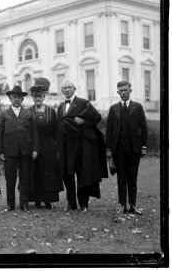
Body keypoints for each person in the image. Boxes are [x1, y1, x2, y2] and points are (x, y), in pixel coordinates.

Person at [56, 78, 107, 212]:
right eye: (64, 88)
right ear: (62, 90)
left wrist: (84, 121)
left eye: (69, 87)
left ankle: (83, 204)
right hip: (66, 147)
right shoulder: (60, 107)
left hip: (80, 146)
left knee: (82, 174)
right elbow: (59, 127)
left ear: (74, 89)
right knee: (67, 176)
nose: (67, 90)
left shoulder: (84, 103)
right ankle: (71, 203)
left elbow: (97, 117)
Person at [105, 81, 147, 215]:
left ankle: (133, 205)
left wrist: (144, 146)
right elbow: (109, 130)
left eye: (125, 90)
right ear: (118, 92)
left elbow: (144, 128)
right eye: (120, 91)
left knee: (132, 177)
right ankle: (122, 205)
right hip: (118, 149)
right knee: (121, 177)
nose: (123, 93)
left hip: (134, 148)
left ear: (130, 90)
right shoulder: (113, 109)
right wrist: (108, 150)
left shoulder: (138, 107)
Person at [0, 85, 39, 213]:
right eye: (14, 97)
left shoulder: (28, 114)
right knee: (10, 179)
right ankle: (10, 204)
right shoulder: (4, 114)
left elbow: (35, 133)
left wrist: (35, 149)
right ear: (10, 99)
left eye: (19, 98)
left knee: (25, 178)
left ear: (22, 100)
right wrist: (0, 151)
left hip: (25, 152)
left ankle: (24, 204)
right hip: (10, 152)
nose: (17, 100)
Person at [28, 85, 64, 209]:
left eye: (40, 96)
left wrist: (57, 147)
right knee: (35, 172)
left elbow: (55, 131)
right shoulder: (28, 112)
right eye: (35, 97)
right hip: (34, 147)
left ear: (44, 97)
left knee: (48, 172)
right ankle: (37, 200)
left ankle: (48, 200)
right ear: (33, 98)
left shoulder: (51, 112)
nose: (38, 99)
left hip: (49, 146)